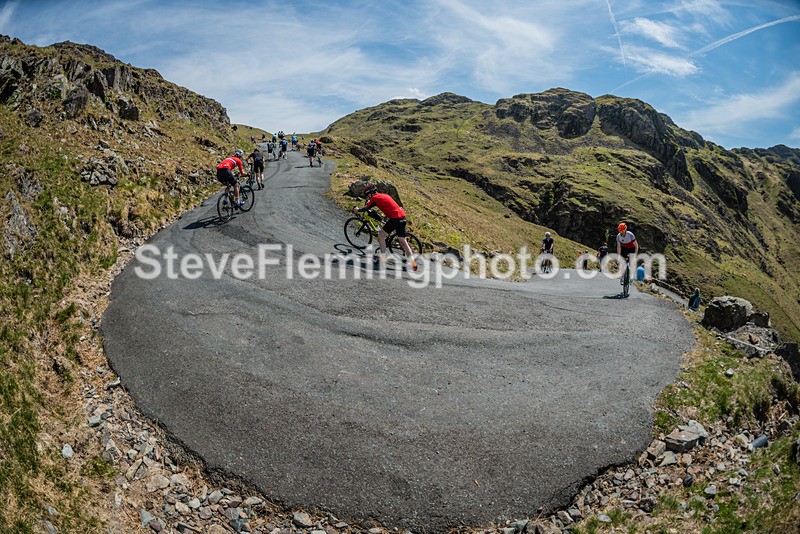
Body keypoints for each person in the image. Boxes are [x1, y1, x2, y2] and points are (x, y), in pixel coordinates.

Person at [352, 184, 417, 271]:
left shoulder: (374, 198)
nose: (368, 197)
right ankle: (413, 264)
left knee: (381, 236)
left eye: (368, 195)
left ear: (370, 193)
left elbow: (366, 208)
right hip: (402, 217)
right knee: (403, 242)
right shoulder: (384, 195)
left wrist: (357, 210)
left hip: (395, 219)